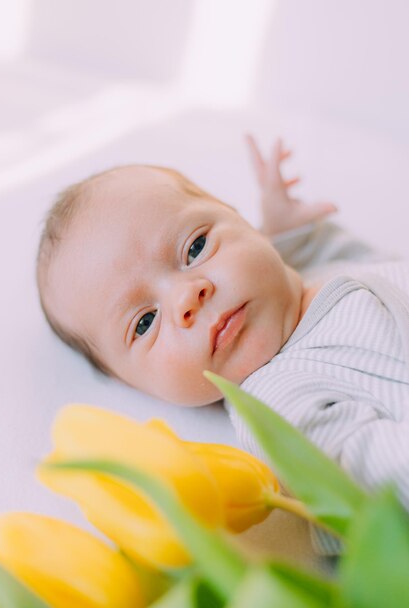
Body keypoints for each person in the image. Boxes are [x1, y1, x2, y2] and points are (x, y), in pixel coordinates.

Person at [36, 136, 409, 552]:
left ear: (242, 221)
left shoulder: (303, 271)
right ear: (141, 388)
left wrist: (290, 231)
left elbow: (289, 256)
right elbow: (364, 489)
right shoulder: (276, 407)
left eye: (195, 247)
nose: (186, 297)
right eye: (145, 322)